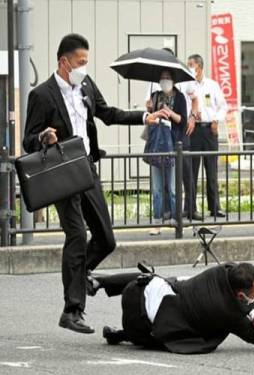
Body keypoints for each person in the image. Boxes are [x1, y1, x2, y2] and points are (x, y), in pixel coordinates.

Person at [22, 33, 168, 334]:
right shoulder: (42, 95)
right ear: (64, 62)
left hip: (87, 169)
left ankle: (80, 275)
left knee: (106, 238)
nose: (84, 68)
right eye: (80, 62)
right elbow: (27, 141)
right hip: (62, 171)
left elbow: (107, 114)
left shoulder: (86, 85)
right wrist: (43, 138)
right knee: (76, 235)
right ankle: (72, 310)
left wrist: (145, 116)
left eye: (86, 63)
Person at [91, 262, 254, 354]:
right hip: (141, 326)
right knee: (170, 334)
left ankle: (101, 282)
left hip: (134, 291)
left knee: (155, 279)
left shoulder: (223, 270)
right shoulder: (228, 312)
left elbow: (243, 306)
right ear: (240, 295)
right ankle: (123, 335)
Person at [182, 54, 228, 218]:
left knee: (211, 170)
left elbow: (223, 107)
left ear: (199, 67)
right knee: (191, 171)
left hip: (209, 130)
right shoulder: (186, 85)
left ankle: (214, 207)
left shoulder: (213, 85)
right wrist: (191, 116)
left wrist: (216, 120)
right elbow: (184, 105)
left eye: (191, 65)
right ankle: (190, 207)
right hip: (193, 130)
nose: (189, 68)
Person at [144, 69, 188, 235]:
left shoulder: (180, 97)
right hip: (156, 144)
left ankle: (176, 220)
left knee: (172, 186)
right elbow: (150, 119)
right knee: (156, 188)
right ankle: (157, 222)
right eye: (162, 78)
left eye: (168, 78)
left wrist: (170, 113)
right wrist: (150, 110)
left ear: (173, 80)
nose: (165, 81)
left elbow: (182, 121)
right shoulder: (154, 96)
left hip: (173, 145)